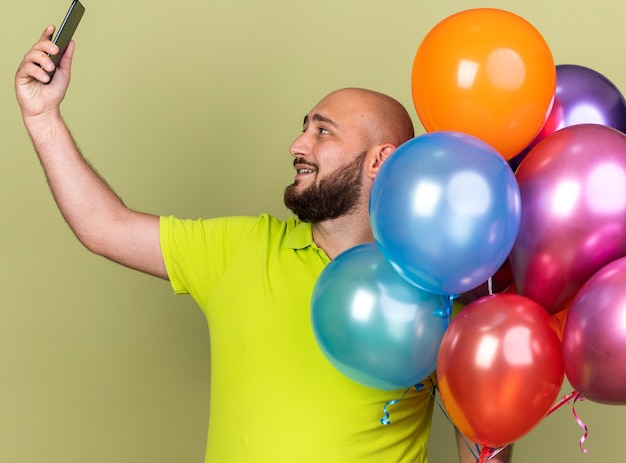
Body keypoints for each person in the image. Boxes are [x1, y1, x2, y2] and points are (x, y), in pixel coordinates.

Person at [15, 26, 512, 463]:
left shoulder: (438, 289)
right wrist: (43, 119)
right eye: (303, 128)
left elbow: (483, 445)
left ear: (380, 159)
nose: (298, 145)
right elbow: (105, 226)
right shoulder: (240, 249)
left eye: (323, 130)